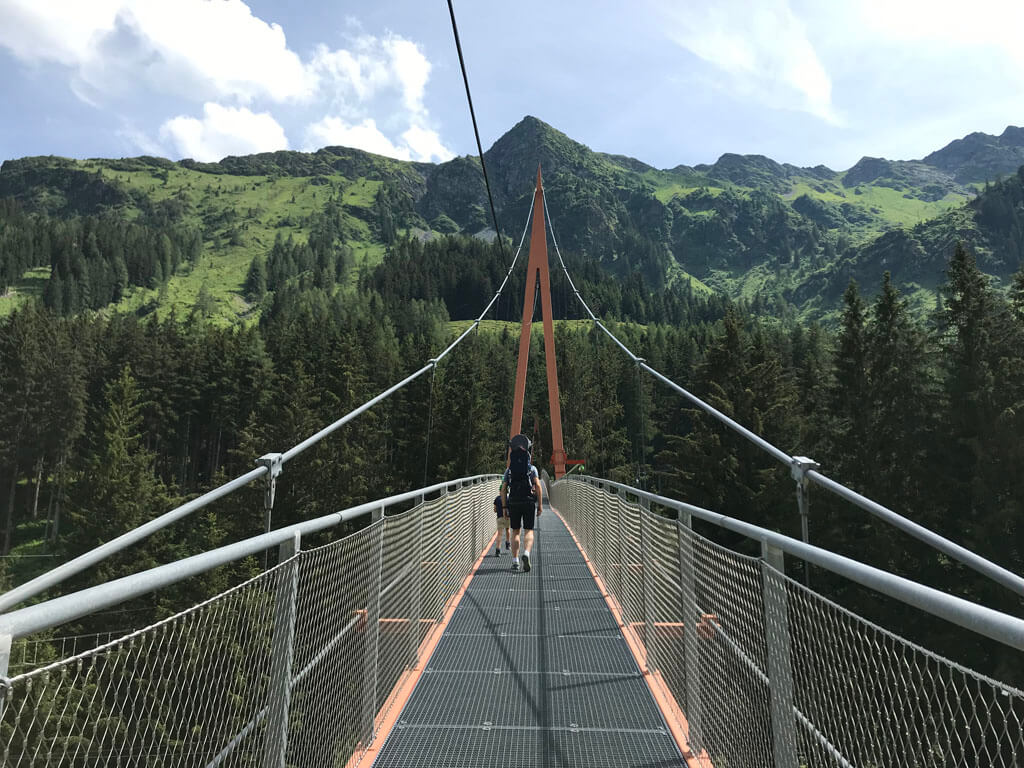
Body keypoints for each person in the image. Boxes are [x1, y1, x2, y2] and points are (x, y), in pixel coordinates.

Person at [500, 434, 543, 572]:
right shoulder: (532, 469)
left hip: (514, 501)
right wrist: (540, 505)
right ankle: (526, 553)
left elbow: (503, 489)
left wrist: (504, 507)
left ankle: (515, 560)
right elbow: (538, 487)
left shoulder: (509, 470)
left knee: (515, 531)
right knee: (529, 530)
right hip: (529, 502)